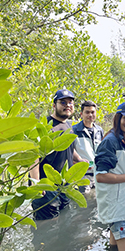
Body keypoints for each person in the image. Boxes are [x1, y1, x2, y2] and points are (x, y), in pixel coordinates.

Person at [30, 89, 88, 220]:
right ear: (54, 105)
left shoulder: (68, 126)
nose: (67, 105)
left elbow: (68, 148)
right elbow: (34, 156)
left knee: (62, 224)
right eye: (63, 102)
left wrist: (79, 159)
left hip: (63, 186)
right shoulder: (45, 126)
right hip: (46, 187)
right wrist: (37, 184)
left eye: (70, 103)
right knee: (47, 228)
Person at [94, 101, 125, 251]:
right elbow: (100, 176)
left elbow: (116, 170)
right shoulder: (110, 141)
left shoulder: (124, 140)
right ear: (118, 118)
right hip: (118, 206)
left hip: (121, 202)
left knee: (115, 248)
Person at [72, 100, 104, 192]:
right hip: (82, 175)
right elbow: (68, 152)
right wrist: (78, 162)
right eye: (87, 112)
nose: (90, 115)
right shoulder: (74, 131)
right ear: (81, 114)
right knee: (85, 201)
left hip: (97, 173)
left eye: (92, 112)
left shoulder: (99, 130)